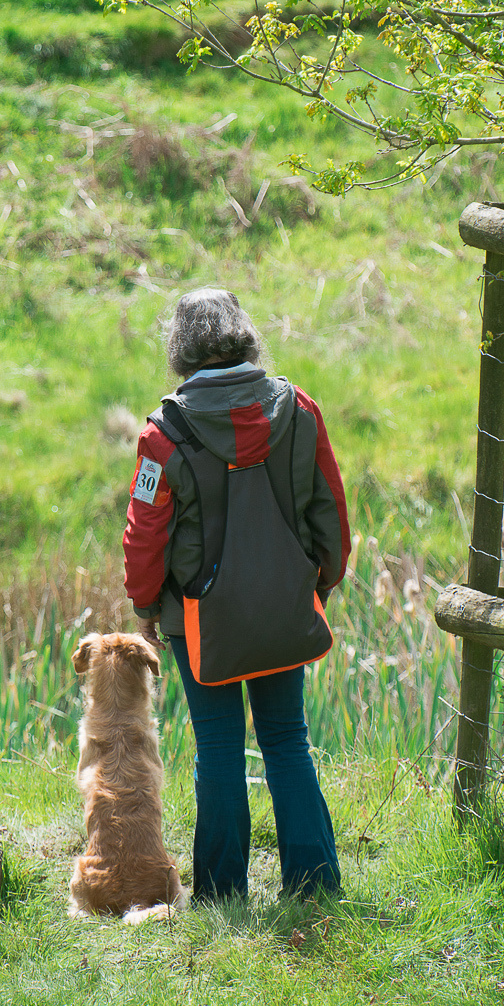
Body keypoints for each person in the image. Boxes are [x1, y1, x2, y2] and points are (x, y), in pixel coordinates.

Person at [123, 288, 351, 902]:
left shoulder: (161, 436)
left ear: (179, 349)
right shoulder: (297, 409)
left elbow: (145, 532)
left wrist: (146, 605)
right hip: (285, 610)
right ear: (245, 335)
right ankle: (315, 885)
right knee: (286, 740)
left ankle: (222, 893)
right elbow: (331, 507)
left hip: (199, 620)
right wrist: (319, 582)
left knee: (218, 747)